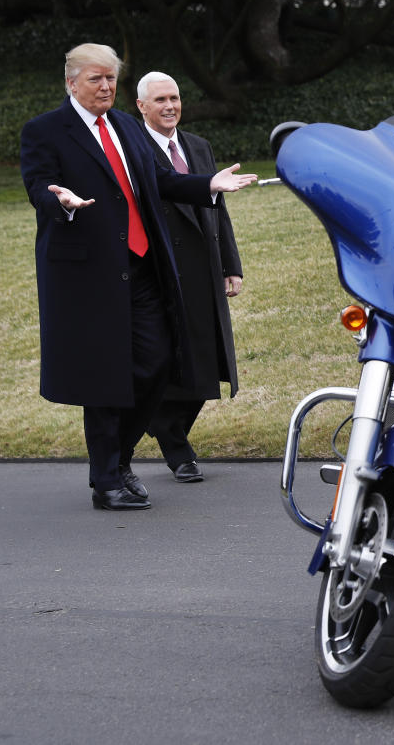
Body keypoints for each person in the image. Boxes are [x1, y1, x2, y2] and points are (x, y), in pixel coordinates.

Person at [20, 43, 257, 511]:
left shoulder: (127, 126)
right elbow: (37, 186)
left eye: (111, 79)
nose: (106, 86)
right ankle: (107, 481)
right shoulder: (46, 131)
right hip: (88, 276)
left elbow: (162, 182)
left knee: (158, 364)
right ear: (72, 83)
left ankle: (120, 459)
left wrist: (208, 184)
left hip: (143, 268)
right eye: (95, 79)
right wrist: (60, 202)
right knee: (104, 379)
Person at [136, 71, 242, 483]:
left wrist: (231, 264)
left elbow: (218, 207)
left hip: (205, 268)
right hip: (161, 271)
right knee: (175, 362)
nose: (169, 106)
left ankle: (163, 426)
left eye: (175, 98)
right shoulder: (135, 149)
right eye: (159, 100)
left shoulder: (199, 146)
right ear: (142, 107)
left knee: (208, 361)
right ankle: (177, 448)